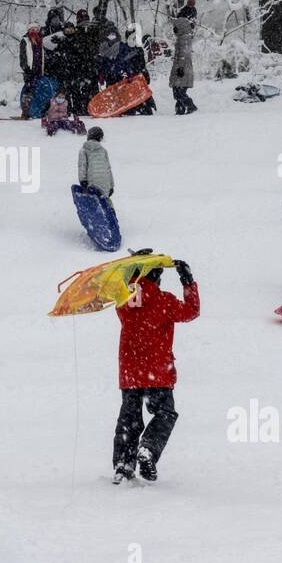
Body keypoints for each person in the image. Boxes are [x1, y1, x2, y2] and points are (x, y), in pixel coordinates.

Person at [112, 256, 199, 483]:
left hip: (130, 371)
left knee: (129, 418)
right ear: (157, 278)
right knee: (165, 413)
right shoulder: (164, 301)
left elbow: (122, 289)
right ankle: (149, 448)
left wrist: (131, 268)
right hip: (157, 371)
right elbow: (192, 311)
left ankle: (123, 463)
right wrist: (187, 280)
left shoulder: (123, 301)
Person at [170, 3, 198, 114]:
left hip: (182, 69)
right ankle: (180, 109)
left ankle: (190, 106)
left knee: (178, 92)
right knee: (177, 90)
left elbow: (183, 54)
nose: (174, 29)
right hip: (182, 68)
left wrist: (180, 67)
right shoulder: (184, 35)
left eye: (175, 27)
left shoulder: (184, 37)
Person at [78, 126, 114, 206]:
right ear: (100, 138)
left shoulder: (83, 150)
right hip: (105, 182)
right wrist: (111, 186)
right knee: (105, 199)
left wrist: (82, 180)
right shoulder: (103, 150)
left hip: (92, 181)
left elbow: (82, 165)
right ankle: (110, 212)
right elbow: (108, 168)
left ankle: (94, 213)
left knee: (93, 198)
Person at [18, 23, 46, 118]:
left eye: (35, 29)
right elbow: (22, 56)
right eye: (31, 29)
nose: (33, 31)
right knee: (28, 91)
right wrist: (25, 68)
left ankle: (36, 111)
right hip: (29, 70)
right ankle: (26, 111)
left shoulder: (40, 41)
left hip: (38, 70)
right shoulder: (25, 41)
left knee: (37, 91)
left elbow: (41, 56)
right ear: (28, 31)